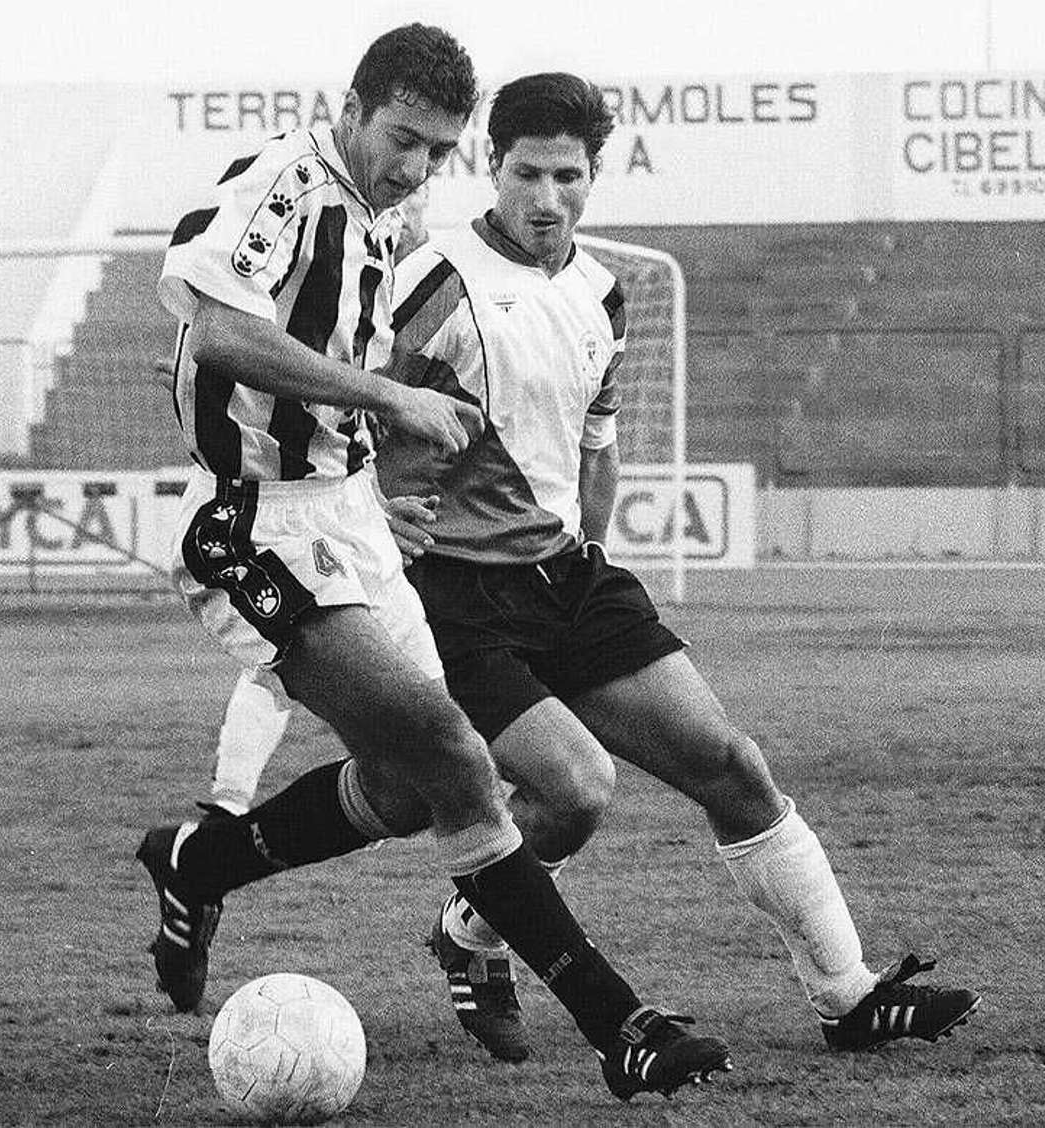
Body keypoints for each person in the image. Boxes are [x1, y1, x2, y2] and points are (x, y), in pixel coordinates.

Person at [136, 26, 731, 1101]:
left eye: (437, 150)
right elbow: (219, 331)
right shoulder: (287, 178)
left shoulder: (382, 213)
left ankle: (201, 861)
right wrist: (395, 401)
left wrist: (388, 483)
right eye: (401, 138)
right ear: (351, 107)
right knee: (457, 760)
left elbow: (346, 370)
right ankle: (620, 1028)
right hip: (251, 521)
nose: (414, 167)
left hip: (350, 519)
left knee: (414, 786)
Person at [368, 72, 978, 1058]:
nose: (546, 198)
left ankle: (847, 997)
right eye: (527, 173)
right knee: (572, 796)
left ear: (594, 175)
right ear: (492, 166)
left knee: (731, 765)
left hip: (566, 576)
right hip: (456, 593)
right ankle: (472, 925)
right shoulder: (431, 281)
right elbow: (348, 415)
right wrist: (372, 513)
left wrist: (590, 549)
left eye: (568, 177)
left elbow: (596, 445)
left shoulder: (602, 293)